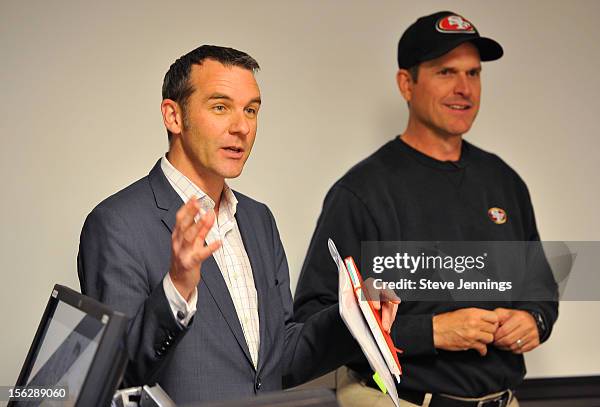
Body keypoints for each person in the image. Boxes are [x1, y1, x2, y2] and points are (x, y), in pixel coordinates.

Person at [77, 45, 398, 405]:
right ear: (173, 116)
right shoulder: (115, 224)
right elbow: (117, 375)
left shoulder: (259, 220)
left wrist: (355, 320)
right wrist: (178, 287)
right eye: (220, 107)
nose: (242, 127)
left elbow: (281, 360)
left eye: (251, 110)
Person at [294, 11, 558, 407]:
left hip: (503, 399)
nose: (464, 88)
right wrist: (431, 332)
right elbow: (315, 321)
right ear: (406, 83)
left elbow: (540, 289)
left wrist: (533, 320)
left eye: (473, 73)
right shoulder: (361, 192)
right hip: (401, 401)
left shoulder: (505, 182)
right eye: (446, 72)